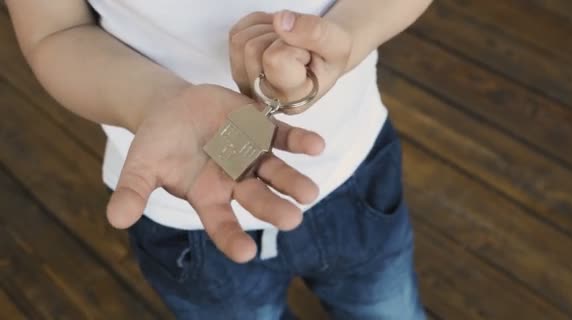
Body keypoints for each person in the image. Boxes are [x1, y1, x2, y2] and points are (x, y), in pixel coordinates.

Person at [6, 0, 432, 318]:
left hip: (356, 169)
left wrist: (347, 35)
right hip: (180, 204)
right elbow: (55, 31)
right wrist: (154, 101)